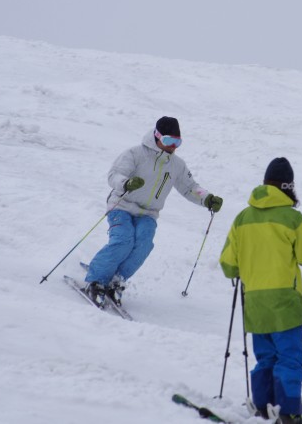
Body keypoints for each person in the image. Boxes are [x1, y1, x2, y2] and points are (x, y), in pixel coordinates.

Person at [84, 116, 223, 306]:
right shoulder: (135, 154)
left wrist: (207, 198)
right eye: (169, 141)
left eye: (177, 142)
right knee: (123, 240)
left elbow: (189, 187)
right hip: (122, 205)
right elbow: (114, 175)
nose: (173, 146)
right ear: (157, 136)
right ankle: (96, 280)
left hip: (148, 213)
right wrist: (126, 183)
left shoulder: (176, 165)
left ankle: (117, 280)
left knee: (144, 244)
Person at [219, 157, 302, 424]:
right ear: (289, 186)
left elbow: (228, 264)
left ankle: (263, 407)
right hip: (284, 302)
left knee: (266, 357)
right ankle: (288, 413)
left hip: (255, 303)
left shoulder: (242, 218)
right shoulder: (292, 218)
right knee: (290, 358)